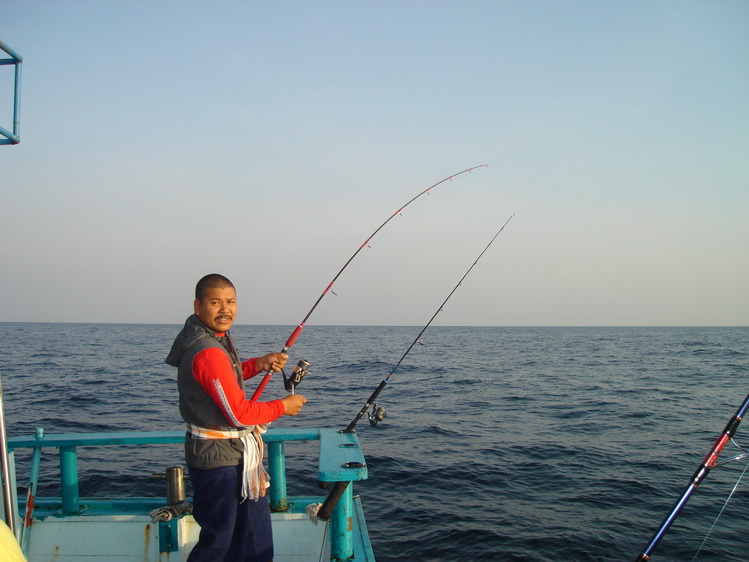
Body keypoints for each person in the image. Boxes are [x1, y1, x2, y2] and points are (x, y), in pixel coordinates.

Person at [166, 273, 307, 561]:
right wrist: (283, 406)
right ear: (198, 306)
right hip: (218, 460)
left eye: (230, 301)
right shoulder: (207, 351)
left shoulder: (213, 338)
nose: (225, 309)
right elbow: (239, 414)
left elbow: (222, 379)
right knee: (220, 541)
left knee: (252, 535)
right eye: (215, 302)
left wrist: (257, 364)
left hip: (237, 457)